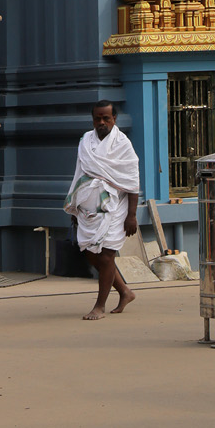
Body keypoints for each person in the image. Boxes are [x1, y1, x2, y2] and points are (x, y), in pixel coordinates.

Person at [64, 100, 140, 320]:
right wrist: (75, 206)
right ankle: (125, 291)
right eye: (98, 118)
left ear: (114, 119)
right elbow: (80, 173)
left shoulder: (123, 144)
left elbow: (132, 180)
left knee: (106, 256)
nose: (102, 122)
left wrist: (132, 216)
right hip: (88, 207)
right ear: (93, 119)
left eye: (106, 118)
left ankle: (100, 305)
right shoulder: (85, 141)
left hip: (116, 207)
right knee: (91, 253)